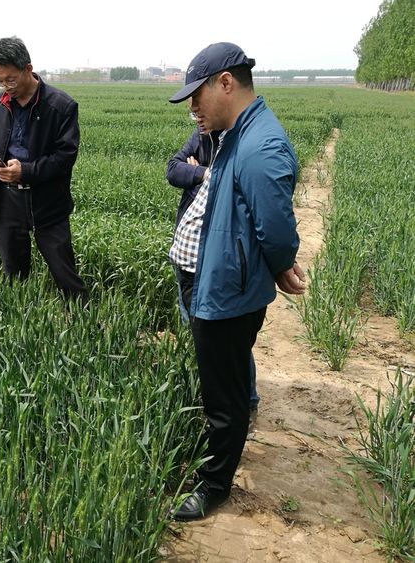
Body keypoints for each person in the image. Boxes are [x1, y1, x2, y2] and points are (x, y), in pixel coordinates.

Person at [167, 42, 306, 520]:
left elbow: (276, 225)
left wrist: (281, 262)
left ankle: (215, 486)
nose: (192, 108)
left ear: (224, 82)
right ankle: (215, 465)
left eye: (195, 96)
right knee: (222, 382)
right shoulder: (239, 132)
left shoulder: (260, 144)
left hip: (227, 291)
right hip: (218, 283)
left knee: (223, 397)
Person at [166, 121, 261, 424]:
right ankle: (216, 398)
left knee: (229, 340)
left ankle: (245, 402)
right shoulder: (202, 135)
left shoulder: (242, 144)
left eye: (198, 101)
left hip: (218, 260)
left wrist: (203, 175)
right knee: (202, 336)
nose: (195, 113)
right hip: (189, 259)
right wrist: (203, 173)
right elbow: (173, 169)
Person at [0, 36, 88, 304]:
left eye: (11, 79)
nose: (5, 86)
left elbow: (65, 158)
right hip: (8, 201)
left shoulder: (61, 106)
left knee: (64, 272)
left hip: (48, 202)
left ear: (28, 69)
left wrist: (25, 171)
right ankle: (18, 326)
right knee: (13, 274)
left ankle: (86, 324)